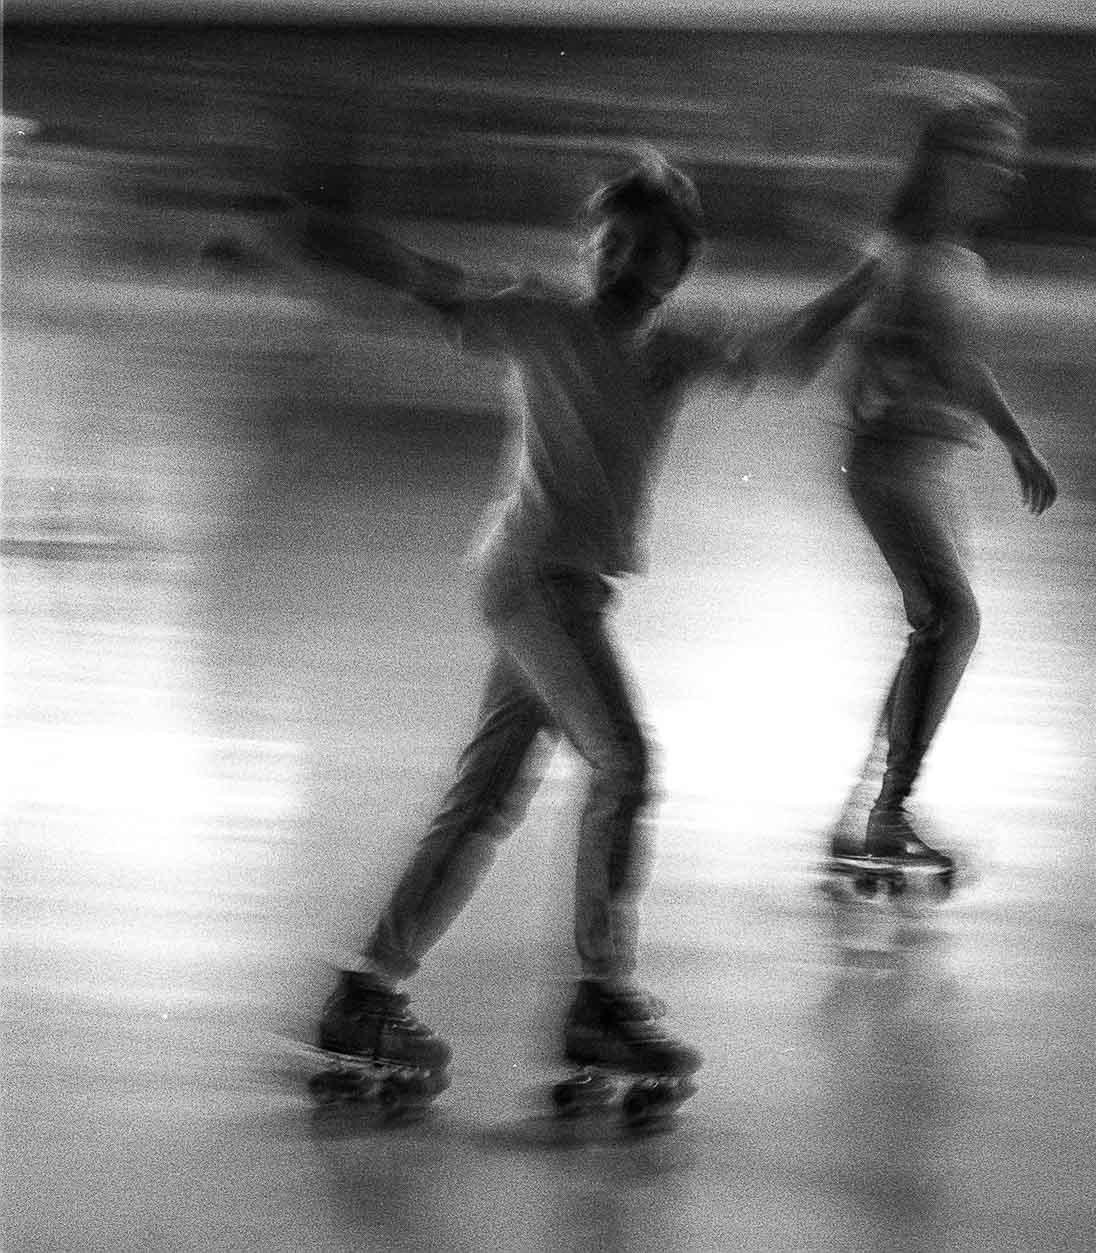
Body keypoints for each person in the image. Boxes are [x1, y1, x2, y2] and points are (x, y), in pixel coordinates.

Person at [271, 147, 877, 1081]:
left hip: (569, 593)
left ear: (681, 267)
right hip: (529, 580)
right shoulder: (540, 318)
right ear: (588, 246)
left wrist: (865, 278)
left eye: (653, 250)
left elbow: (785, 359)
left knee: (484, 800)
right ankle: (600, 998)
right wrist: (317, 238)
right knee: (625, 764)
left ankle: (366, 993)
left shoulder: (674, 350)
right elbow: (424, 284)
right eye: (615, 242)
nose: (629, 262)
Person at [827, 82, 1059, 879]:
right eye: (987, 159)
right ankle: (885, 812)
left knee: (934, 628)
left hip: (926, 462)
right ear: (943, 164)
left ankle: (872, 809)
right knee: (951, 620)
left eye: (1009, 162)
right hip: (895, 464)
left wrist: (1014, 440)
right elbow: (938, 362)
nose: (1004, 175)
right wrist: (1012, 437)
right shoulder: (911, 253)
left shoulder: (950, 256)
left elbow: (961, 363)